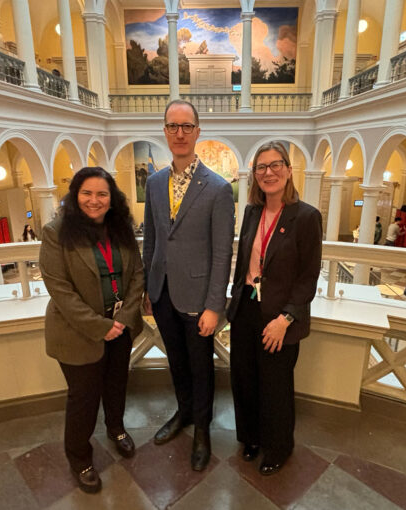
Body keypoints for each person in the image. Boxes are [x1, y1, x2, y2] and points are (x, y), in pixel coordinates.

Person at [39, 167, 144, 494]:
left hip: (120, 327)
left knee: (116, 384)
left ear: (112, 199)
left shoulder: (120, 228)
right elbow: (60, 289)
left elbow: (137, 274)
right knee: (83, 399)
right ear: (75, 195)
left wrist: (123, 319)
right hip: (78, 332)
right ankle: (80, 457)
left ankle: (116, 429)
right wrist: (100, 327)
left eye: (102, 194)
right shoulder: (56, 232)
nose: (94, 201)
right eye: (87, 193)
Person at [143, 100, 235, 471]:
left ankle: (202, 430)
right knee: (176, 362)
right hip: (163, 293)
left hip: (199, 299)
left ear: (198, 131)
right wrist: (149, 290)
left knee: (201, 367)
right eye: (172, 126)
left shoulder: (218, 189)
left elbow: (222, 253)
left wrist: (215, 305)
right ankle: (182, 414)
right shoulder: (153, 182)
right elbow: (152, 240)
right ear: (165, 131)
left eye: (186, 126)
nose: (179, 133)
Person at [226, 141, 323, 476]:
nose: (268, 173)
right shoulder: (252, 211)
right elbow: (246, 263)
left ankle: (279, 447)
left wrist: (286, 318)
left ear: (289, 169)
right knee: (244, 379)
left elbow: (309, 276)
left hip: (279, 316)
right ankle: (250, 438)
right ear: (254, 175)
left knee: (275, 386)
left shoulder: (307, 217)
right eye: (261, 167)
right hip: (246, 310)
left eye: (275, 165)